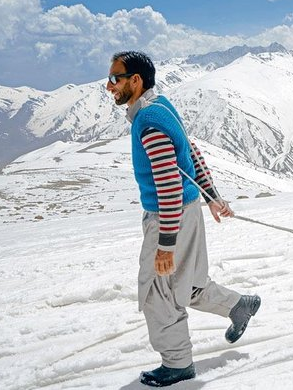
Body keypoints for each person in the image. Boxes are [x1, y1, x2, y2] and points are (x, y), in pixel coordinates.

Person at [106, 51, 261, 387]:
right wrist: (212, 196)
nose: (109, 86)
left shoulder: (148, 122)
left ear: (136, 80)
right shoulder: (162, 105)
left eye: (116, 78)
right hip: (186, 212)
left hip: (169, 215)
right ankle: (238, 306)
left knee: (156, 291)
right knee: (185, 283)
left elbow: (169, 186)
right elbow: (190, 154)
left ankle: (177, 365)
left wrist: (165, 244)